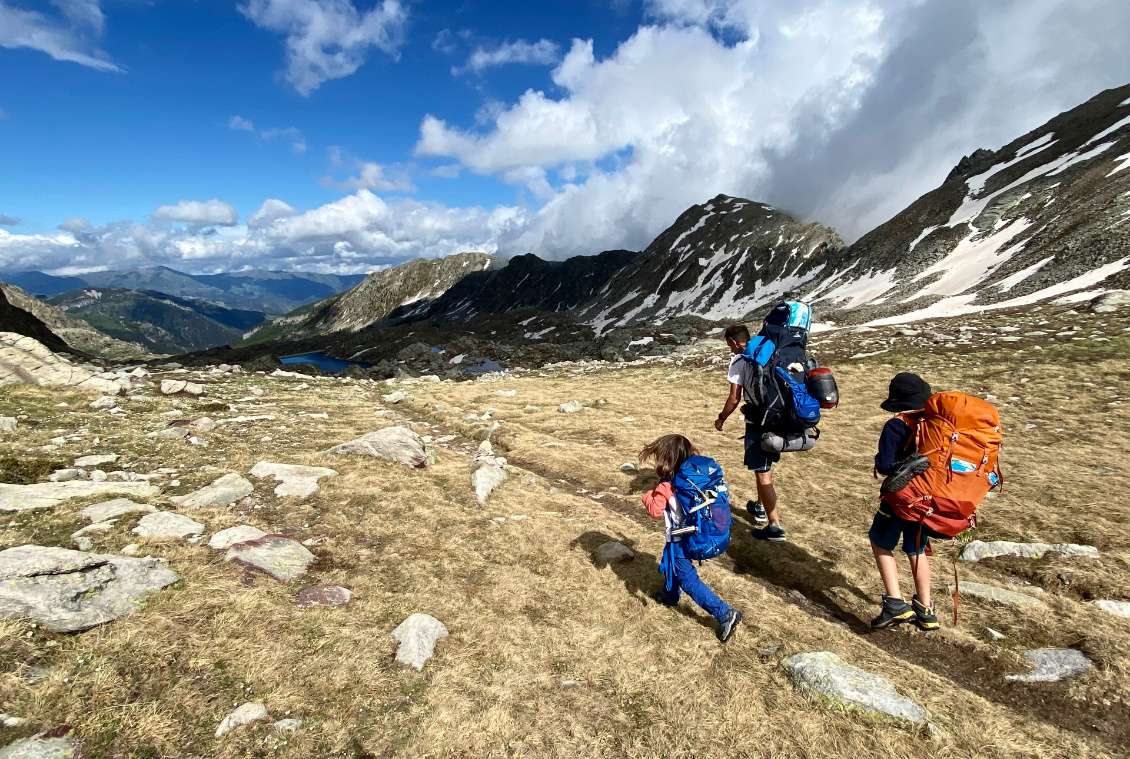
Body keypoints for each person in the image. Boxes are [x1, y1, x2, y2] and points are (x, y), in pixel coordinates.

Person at [640, 434, 743, 642]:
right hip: (695, 532)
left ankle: (724, 613)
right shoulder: (696, 476)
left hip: (681, 537)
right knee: (669, 559)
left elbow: (654, 509)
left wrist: (648, 491)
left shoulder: (666, 486)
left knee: (687, 577)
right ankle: (670, 594)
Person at [868, 372, 940, 631]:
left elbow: (886, 465)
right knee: (917, 549)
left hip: (899, 499)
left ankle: (895, 602)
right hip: (928, 499)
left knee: (879, 541)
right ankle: (926, 608)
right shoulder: (937, 424)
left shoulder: (896, 425)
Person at [715, 323, 785, 541]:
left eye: (729, 345)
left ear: (735, 342)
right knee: (763, 468)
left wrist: (721, 418)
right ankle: (760, 506)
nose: (730, 349)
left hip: (758, 419)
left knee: (763, 473)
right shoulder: (770, 352)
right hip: (778, 417)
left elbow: (734, 397)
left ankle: (774, 526)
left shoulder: (740, 360)